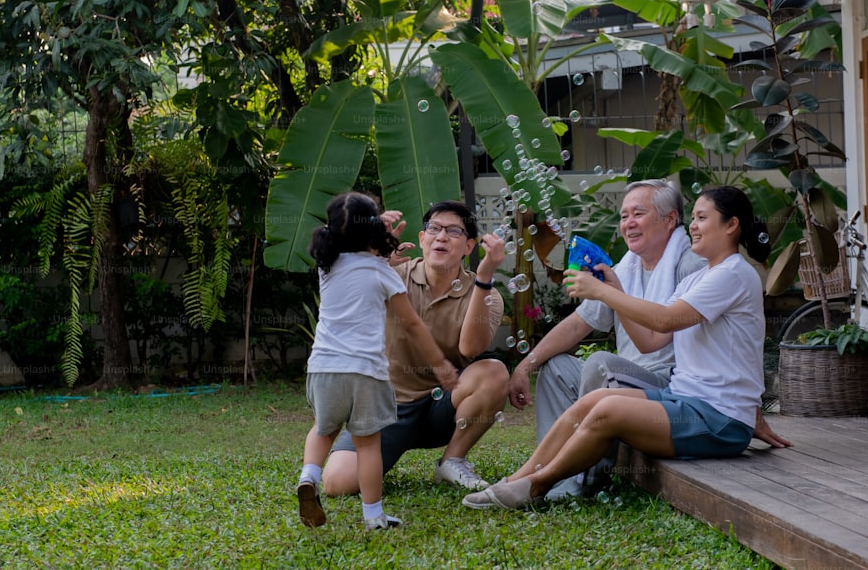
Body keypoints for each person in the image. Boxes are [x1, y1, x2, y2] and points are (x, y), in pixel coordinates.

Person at [463, 185, 775, 510]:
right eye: (692, 218)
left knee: (606, 408)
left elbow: (666, 320)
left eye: (700, 218)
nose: (692, 226)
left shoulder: (733, 275)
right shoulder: (696, 279)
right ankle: (518, 479)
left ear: (730, 225)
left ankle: (536, 486)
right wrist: (617, 290)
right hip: (687, 401)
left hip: (719, 419)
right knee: (596, 399)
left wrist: (605, 293)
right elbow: (650, 339)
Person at [509, 180, 708, 498]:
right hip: (627, 379)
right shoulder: (626, 267)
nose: (628, 223)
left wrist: (609, 291)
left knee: (601, 365)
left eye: (638, 214)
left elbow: (654, 340)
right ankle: (550, 470)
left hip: (670, 388)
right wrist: (525, 365)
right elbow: (577, 325)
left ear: (670, 219)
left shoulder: (690, 266)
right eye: (624, 215)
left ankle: (585, 479)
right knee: (556, 367)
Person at [321, 200, 509, 497]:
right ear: (422, 239)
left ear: (470, 247)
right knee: (337, 483)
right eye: (434, 228)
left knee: (495, 372)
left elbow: (470, 348)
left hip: (445, 406)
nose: (441, 237)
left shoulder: (485, 293)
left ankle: (452, 460)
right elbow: (339, 293)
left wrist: (484, 278)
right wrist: (373, 261)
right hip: (387, 407)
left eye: (453, 231)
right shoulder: (392, 274)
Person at [295, 192, 459, 531]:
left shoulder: (328, 266)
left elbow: (356, 253)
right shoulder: (382, 274)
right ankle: (373, 517)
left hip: (324, 368)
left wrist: (375, 234)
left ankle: (309, 475)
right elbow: (412, 324)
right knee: (368, 445)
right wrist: (441, 365)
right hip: (365, 373)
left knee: (323, 429)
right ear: (373, 234)